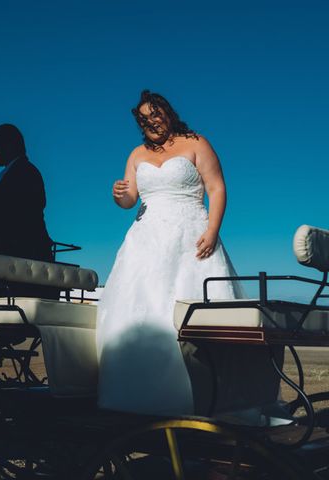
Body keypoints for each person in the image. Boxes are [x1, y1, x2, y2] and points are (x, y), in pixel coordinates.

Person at [96, 90, 245, 415]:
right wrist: (118, 194)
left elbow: (216, 187)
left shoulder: (195, 143)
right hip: (145, 241)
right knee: (144, 309)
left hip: (191, 236)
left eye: (156, 114)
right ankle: (142, 399)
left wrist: (212, 230)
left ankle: (200, 400)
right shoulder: (136, 154)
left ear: (167, 113)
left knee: (191, 310)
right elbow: (129, 200)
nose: (151, 122)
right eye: (144, 119)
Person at [0, 124, 53, 262]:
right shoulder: (18, 171)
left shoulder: (25, 172)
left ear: (10, 146)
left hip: (25, 252)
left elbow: (6, 210)